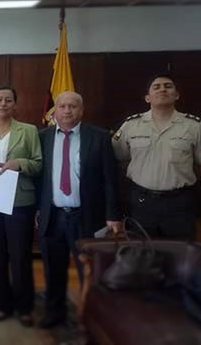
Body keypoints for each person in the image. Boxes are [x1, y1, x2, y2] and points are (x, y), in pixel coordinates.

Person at [36, 91, 122, 328]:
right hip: (53, 216)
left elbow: (110, 179)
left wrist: (113, 214)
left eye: (72, 106)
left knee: (91, 271)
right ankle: (55, 313)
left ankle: (92, 318)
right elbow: (38, 178)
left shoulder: (100, 137)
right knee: (53, 270)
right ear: (54, 111)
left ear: (81, 111)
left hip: (86, 217)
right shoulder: (42, 137)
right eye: (62, 106)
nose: (67, 110)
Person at [112, 73, 201, 240]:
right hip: (142, 202)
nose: (162, 89)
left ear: (176, 95)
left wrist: (180, 174)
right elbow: (118, 158)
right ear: (147, 98)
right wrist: (142, 171)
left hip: (179, 203)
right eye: (156, 87)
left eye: (168, 86)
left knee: (181, 254)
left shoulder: (194, 125)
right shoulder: (131, 125)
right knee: (141, 255)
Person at [0, 85, 42, 326]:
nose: (3, 104)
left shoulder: (29, 131)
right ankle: (2, 305)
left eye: (8, 100)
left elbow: (38, 163)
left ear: (15, 104)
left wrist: (19, 163)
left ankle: (24, 307)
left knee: (20, 256)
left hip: (20, 201)